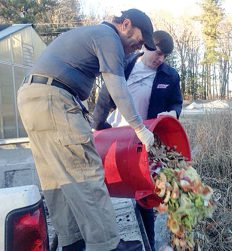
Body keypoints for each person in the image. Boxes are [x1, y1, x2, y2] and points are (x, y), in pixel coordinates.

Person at [17, 9, 156, 251]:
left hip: (32, 98)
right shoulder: (108, 37)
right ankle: (107, 246)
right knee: (86, 173)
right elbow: (117, 88)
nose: (137, 48)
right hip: (54, 99)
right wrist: (140, 128)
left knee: (58, 179)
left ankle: (74, 243)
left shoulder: (92, 35)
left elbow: (103, 95)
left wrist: (98, 122)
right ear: (126, 25)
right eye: (139, 41)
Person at [92, 30, 183, 251]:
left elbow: (176, 102)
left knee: (145, 196)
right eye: (158, 53)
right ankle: (104, 240)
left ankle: (149, 244)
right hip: (119, 139)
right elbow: (105, 98)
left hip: (148, 143)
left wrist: (173, 113)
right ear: (147, 46)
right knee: (104, 186)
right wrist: (97, 125)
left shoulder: (170, 76)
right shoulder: (125, 66)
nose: (160, 59)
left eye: (165, 56)